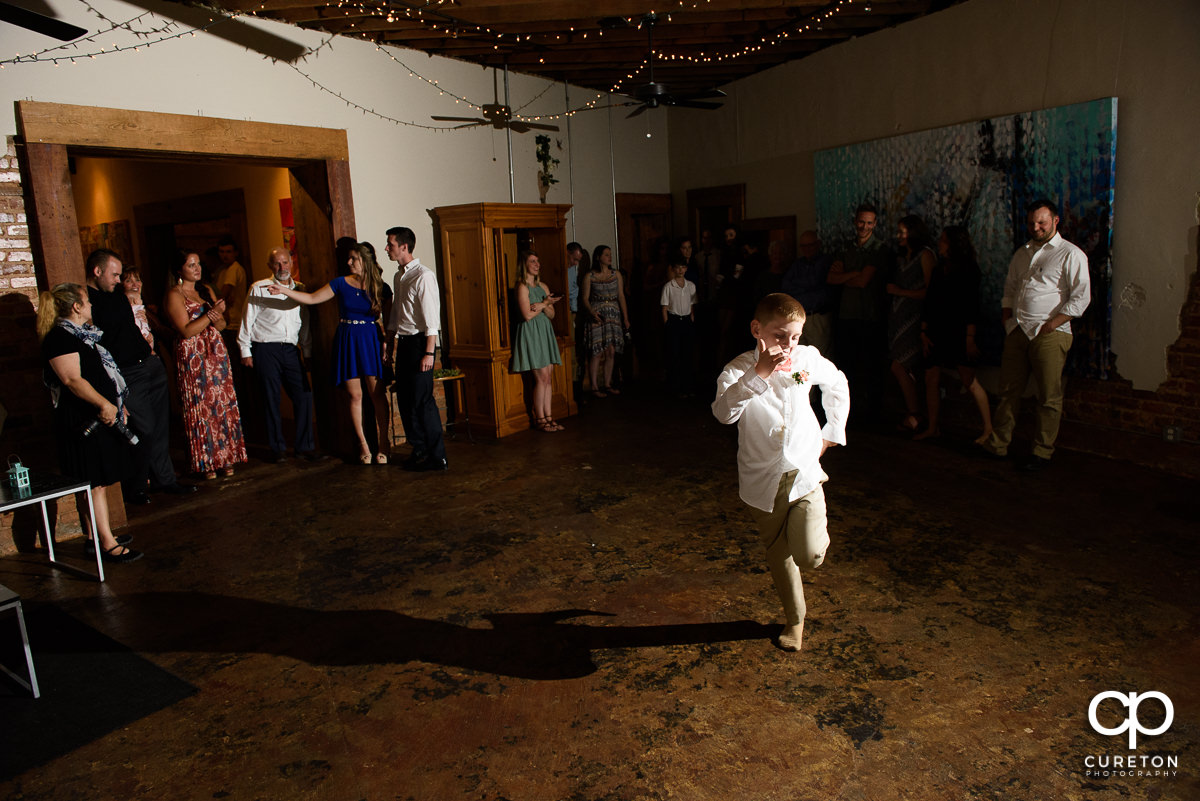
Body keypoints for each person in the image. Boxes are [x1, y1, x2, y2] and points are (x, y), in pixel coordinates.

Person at [712, 293, 849, 652]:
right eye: (779, 335)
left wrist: (832, 431)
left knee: (808, 556)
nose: (788, 344)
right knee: (778, 553)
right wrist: (758, 374)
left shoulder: (806, 359)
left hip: (804, 474)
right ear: (757, 329)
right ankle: (795, 620)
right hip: (763, 480)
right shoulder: (736, 369)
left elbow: (837, 383)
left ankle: (810, 539)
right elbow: (724, 413)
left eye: (795, 336)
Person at [37, 283, 143, 563]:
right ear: (76, 306)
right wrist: (103, 403)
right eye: (87, 301)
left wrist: (116, 403)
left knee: (98, 482)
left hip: (100, 415)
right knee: (93, 483)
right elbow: (72, 380)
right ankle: (106, 543)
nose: (91, 305)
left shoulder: (81, 335)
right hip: (83, 419)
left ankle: (96, 536)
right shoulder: (60, 338)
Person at [982, 199, 1091, 471]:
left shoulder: (1071, 254)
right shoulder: (1022, 253)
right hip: (1018, 331)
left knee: (1049, 397)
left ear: (1055, 221)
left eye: (1041, 222)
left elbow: (1081, 297)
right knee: (1008, 391)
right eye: (1031, 222)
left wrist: (1053, 324)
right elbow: (1009, 289)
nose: (1036, 227)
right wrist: (1008, 322)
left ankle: (1041, 452)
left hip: (1050, 334)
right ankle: (998, 444)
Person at [86, 249, 195, 503]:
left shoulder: (118, 297)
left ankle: (165, 480)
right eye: (115, 275)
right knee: (142, 429)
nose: (118, 280)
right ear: (97, 271)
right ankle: (136, 486)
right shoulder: (88, 301)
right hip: (126, 372)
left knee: (159, 427)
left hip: (149, 364)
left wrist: (152, 354)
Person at [270, 242, 390, 465]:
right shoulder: (340, 283)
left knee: (377, 395)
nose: (349, 262)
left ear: (365, 260)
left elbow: (390, 320)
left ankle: (384, 443)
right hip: (348, 338)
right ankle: (363, 445)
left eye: (353, 258)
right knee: (355, 396)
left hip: (371, 339)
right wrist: (285, 290)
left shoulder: (381, 287)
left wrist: (388, 345)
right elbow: (313, 298)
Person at [166, 251, 248, 480]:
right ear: (179, 270)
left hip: (215, 354)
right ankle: (207, 461)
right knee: (200, 407)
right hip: (193, 357)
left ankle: (226, 457)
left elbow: (221, 324)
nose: (197, 268)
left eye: (198, 263)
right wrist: (212, 315)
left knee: (221, 404)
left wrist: (218, 316)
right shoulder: (175, 295)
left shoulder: (206, 290)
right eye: (191, 264)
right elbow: (187, 330)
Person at [238, 247, 319, 463]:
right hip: (266, 348)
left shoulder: (300, 290)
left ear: (292, 262)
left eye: (285, 262)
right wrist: (245, 350)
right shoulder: (259, 288)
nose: (282, 267)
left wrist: (307, 351)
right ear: (270, 266)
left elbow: (305, 325)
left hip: (291, 349)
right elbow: (247, 319)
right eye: (277, 263)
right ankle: (278, 449)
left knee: (303, 395)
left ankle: (304, 447)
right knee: (271, 398)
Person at [915, 226, 991, 443]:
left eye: (944, 240)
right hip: (937, 331)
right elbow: (929, 303)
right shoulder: (940, 269)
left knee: (969, 380)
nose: (940, 243)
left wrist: (969, 338)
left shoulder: (969, 270)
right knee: (931, 377)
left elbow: (971, 308)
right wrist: (923, 330)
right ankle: (932, 427)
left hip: (958, 332)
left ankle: (988, 429)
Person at [383, 226, 447, 472]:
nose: (387, 248)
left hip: (421, 343)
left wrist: (429, 353)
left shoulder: (423, 275)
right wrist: (389, 342)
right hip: (405, 344)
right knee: (406, 400)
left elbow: (432, 319)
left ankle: (438, 457)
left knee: (423, 401)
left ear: (404, 247)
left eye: (390, 244)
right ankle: (419, 449)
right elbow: (396, 315)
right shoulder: (399, 276)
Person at [827, 203, 893, 422]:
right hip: (847, 316)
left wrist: (846, 275)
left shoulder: (879, 249)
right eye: (861, 222)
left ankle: (873, 415)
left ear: (874, 224)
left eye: (869, 223)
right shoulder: (845, 247)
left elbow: (864, 281)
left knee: (872, 368)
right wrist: (853, 273)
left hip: (871, 317)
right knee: (847, 368)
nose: (864, 226)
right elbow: (831, 278)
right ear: (855, 221)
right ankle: (849, 413)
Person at [887, 215, 935, 432]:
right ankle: (912, 413)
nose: (898, 236)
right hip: (899, 319)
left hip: (915, 319)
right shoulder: (901, 257)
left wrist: (900, 292)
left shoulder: (925, 255)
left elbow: (931, 291)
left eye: (902, 232)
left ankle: (915, 414)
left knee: (900, 365)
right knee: (900, 365)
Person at [511, 250, 564, 432]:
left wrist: (543, 305)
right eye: (533, 261)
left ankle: (549, 417)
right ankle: (539, 418)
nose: (537, 264)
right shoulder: (522, 287)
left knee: (548, 378)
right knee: (541, 378)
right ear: (524, 265)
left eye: (538, 261)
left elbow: (551, 314)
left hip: (544, 331)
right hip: (532, 333)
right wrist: (544, 304)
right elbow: (527, 315)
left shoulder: (543, 286)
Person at [580, 244, 629, 399]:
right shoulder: (590, 276)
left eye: (610, 254)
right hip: (597, 314)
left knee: (611, 350)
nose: (609, 257)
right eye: (606, 254)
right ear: (598, 257)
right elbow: (585, 298)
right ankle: (594, 386)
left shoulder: (616, 274)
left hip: (613, 314)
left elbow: (621, 296)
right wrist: (592, 312)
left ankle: (607, 384)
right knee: (597, 351)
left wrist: (625, 318)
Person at [782, 230, 835, 359]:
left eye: (810, 245)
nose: (806, 249)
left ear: (818, 244)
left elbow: (817, 280)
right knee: (798, 357)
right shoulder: (797, 264)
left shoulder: (825, 261)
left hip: (817, 316)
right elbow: (786, 286)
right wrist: (809, 285)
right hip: (799, 317)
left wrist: (800, 284)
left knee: (820, 358)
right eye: (803, 246)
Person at [660, 255, 697, 397]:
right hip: (674, 320)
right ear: (673, 269)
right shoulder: (668, 286)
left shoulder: (691, 286)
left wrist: (691, 320)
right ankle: (675, 387)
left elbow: (692, 305)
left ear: (686, 269)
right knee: (674, 354)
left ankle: (688, 386)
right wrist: (668, 324)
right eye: (678, 267)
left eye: (683, 267)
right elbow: (664, 307)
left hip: (686, 321)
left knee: (687, 354)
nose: (680, 270)